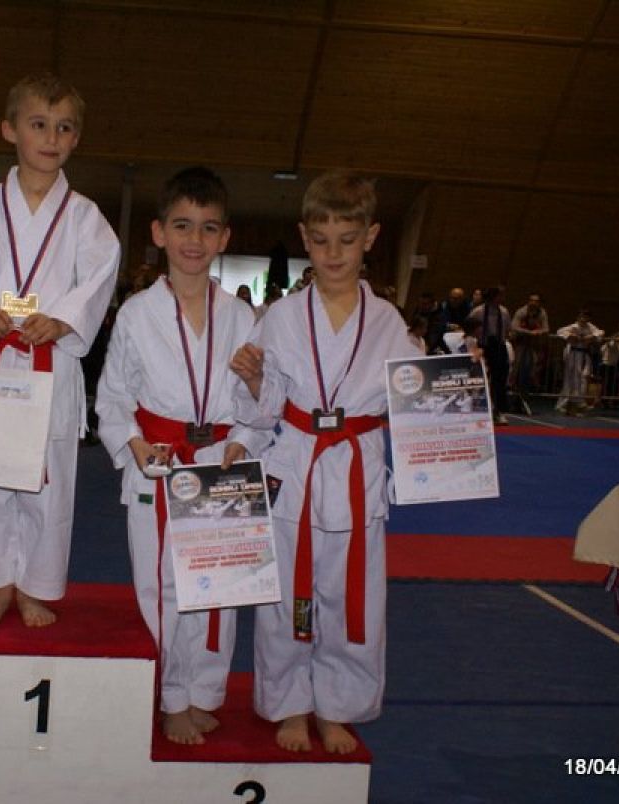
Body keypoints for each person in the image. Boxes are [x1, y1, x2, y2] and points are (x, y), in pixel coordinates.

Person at [229, 170, 421, 754]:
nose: (333, 253)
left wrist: (454, 388)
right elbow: (266, 407)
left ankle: (339, 705)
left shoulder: (388, 324)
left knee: (351, 600)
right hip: (296, 468)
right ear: (304, 238)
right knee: (287, 598)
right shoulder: (282, 316)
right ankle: (290, 703)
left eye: (347, 239)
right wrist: (256, 382)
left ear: (371, 238)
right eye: (320, 240)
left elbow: (411, 400)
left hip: (357, 474)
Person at [0, 73, 119, 628]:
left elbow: (100, 275)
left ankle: (34, 586)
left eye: (64, 128)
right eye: (39, 124)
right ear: (9, 129)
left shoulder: (84, 216)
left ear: (76, 138)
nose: (51, 138)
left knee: (47, 483)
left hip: (50, 363)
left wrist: (63, 319)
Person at [96, 167, 267, 746]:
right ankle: (171, 697)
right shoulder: (136, 314)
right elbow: (113, 398)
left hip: (222, 457)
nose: (195, 239)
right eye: (183, 225)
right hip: (161, 460)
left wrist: (248, 430)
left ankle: (204, 693)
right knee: (163, 587)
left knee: (220, 587)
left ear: (225, 238)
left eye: (208, 228)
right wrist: (133, 443)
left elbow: (261, 400)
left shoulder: (243, 316)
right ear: (159, 232)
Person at [467, 286, 511, 425]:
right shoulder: (478, 311)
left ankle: (499, 411)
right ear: (493, 297)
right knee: (481, 378)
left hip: (499, 347)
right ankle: (477, 409)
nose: (502, 298)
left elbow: (507, 329)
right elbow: (469, 326)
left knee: (500, 380)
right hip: (483, 346)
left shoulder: (504, 312)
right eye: (500, 295)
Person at [555, 308, 603, 415]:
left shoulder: (590, 327)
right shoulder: (573, 327)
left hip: (584, 354)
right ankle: (563, 404)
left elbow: (600, 333)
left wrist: (592, 337)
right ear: (578, 317)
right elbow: (559, 331)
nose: (583, 319)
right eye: (582, 316)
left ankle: (579, 402)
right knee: (570, 379)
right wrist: (570, 335)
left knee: (583, 378)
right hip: (573, 353)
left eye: (586, 317)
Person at [510, 293, 549, 395]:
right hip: (520, 342)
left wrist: (538, 332)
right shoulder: (521, 312)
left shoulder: (542, 313)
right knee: (517, 364)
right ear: (528, 301)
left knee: (536, 364)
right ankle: (512, 385)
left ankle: (532, 386)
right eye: (532, 300)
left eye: (536, 301)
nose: (534, 303)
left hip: (534, 343)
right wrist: (528, 332)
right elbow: (514, 326)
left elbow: (546, 328)